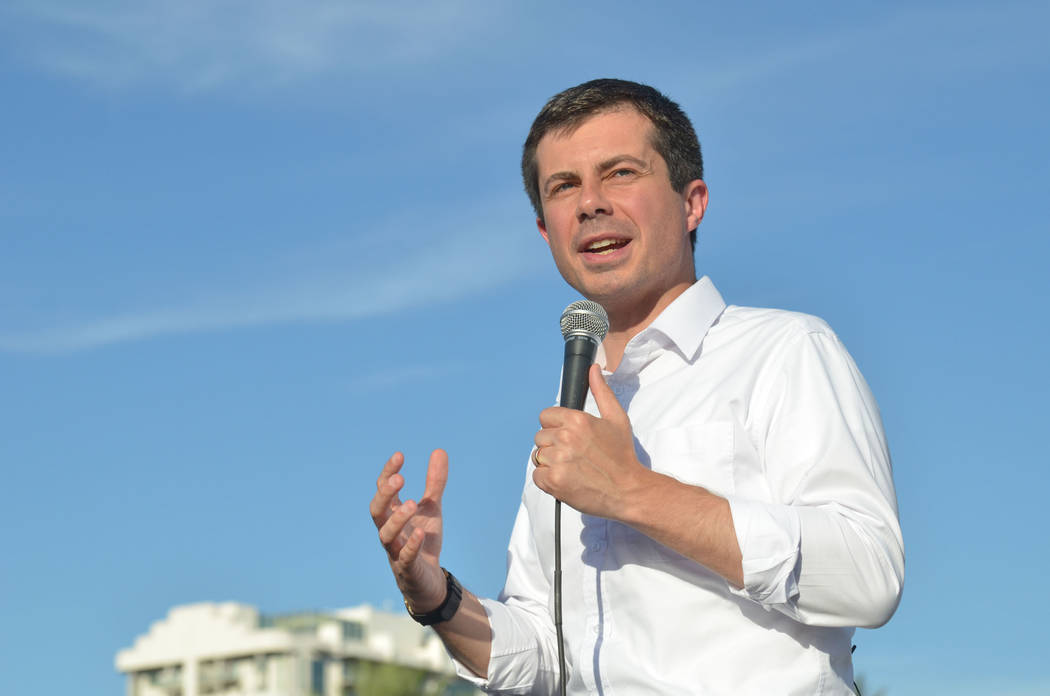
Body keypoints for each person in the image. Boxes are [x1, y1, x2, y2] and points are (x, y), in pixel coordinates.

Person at [370, 78, 904, 695]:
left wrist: (634, 493)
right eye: (563, 186)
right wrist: (434, 596)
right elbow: (546, 653)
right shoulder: (568, 424)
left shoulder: (785, 351)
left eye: (620, 173)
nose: (590, 202)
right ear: (547, 233)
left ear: (692, 202)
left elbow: (870, 574)